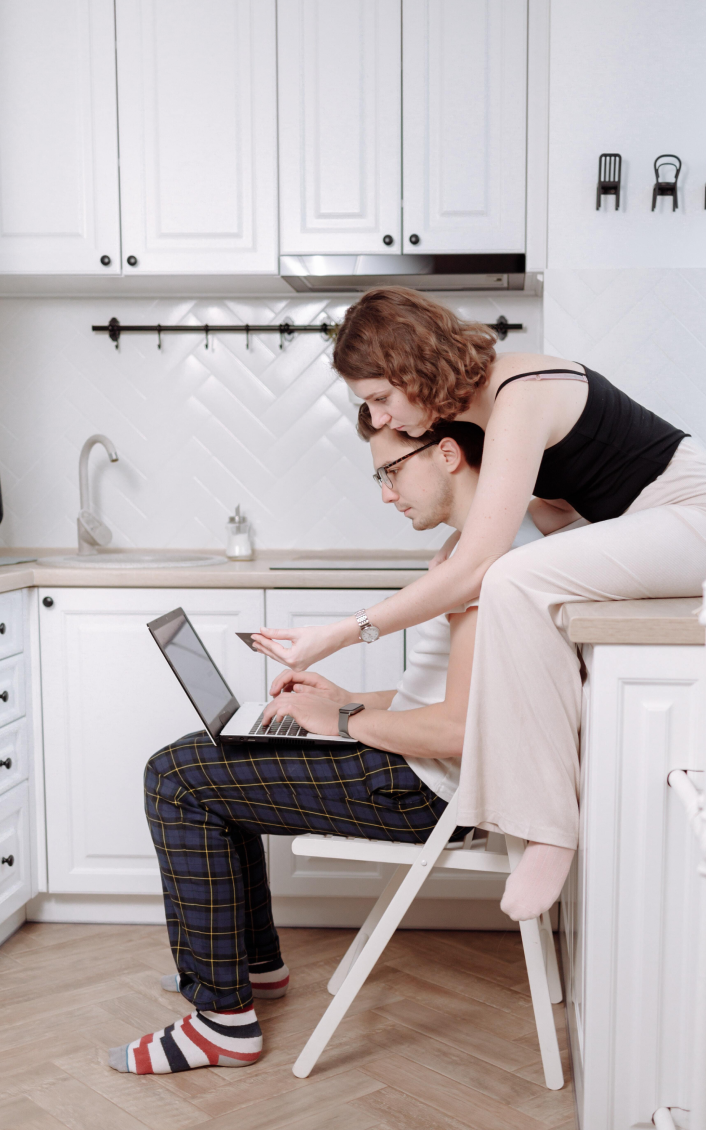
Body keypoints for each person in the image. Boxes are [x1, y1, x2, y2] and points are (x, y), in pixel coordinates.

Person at [251, 286, 706, 923]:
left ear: (412, 367)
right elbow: (560, 511)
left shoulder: (521, 391)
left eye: (380, 398)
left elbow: (479, 568)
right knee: (518, 579)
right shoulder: (486, 413)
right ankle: (543, 820)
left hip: (693, 515)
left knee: (510, 579)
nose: (379, 419)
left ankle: (550, 827)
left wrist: (340, 633)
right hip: (658, 523)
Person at [109, 417, 539, 1076]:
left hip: (424, 794)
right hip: (421, 773)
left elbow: (458, 730)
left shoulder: (492, 562)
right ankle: (251, 969)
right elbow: (448, 703)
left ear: (447, 454)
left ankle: (222, 1022)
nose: (388, 495)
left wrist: (339, 723)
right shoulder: (473, 548)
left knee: (177, 776)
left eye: (391, 471)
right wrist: (343, 701)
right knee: (209, 761)